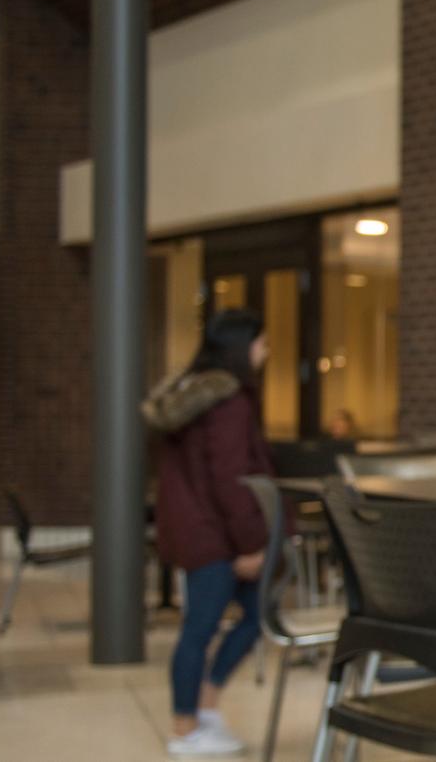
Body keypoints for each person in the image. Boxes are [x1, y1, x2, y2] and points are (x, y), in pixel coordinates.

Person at [141, 310, 273, 757]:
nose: (265, 352)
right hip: (214, 535)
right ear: (241, 347)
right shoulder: (228, 402)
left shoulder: (188, 398)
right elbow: (230, 479)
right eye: (261, 343)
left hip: (194, 528)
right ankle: (185, 728)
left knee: (255, 616)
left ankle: (204, 705)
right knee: (201, 629)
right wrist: (250, 542)